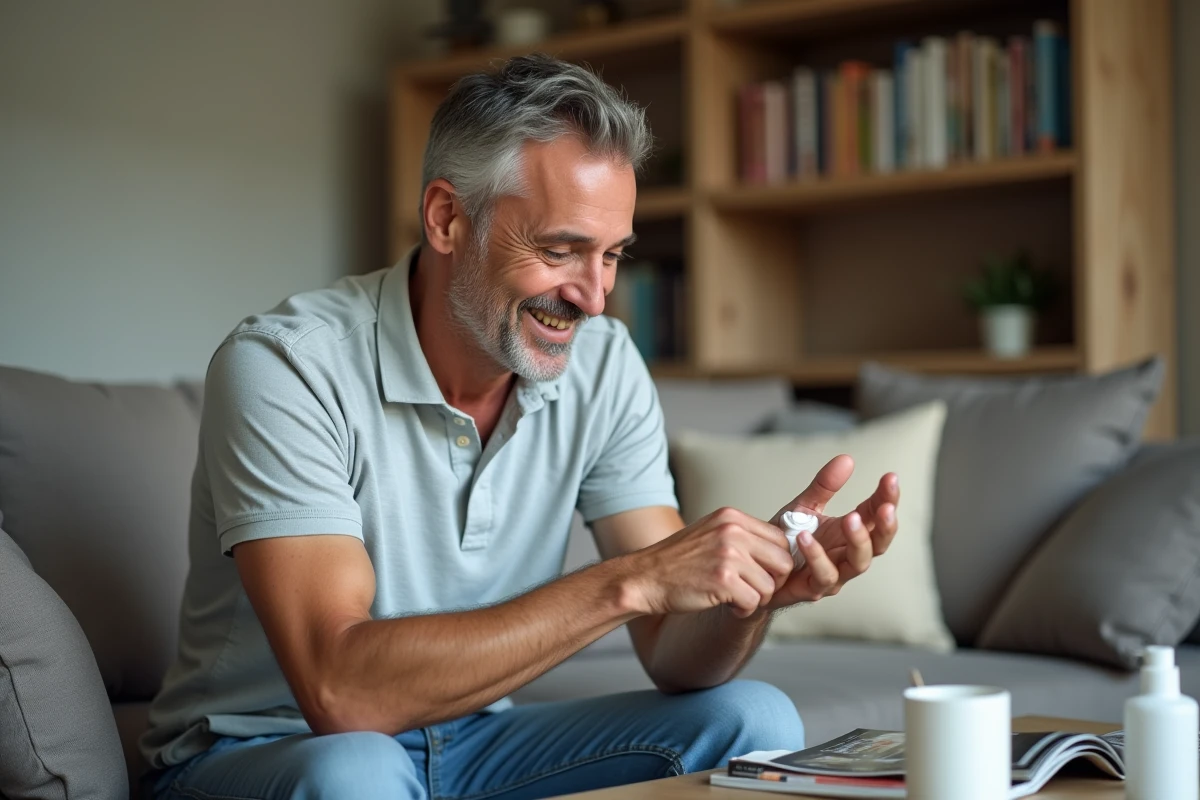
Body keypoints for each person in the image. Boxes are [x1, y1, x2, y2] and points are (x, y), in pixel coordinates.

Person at [141, 54, 900, 800]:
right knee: (358, 771)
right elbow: (341, 693)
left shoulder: (604, 365)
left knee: (753, 717)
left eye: (612, 256)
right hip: (270, 751)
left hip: (473, 743)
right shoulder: (286, 366)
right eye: (561, 251)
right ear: (447, 218)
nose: (595, 298)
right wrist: (632, 581)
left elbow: (675, 655)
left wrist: (755, 595)